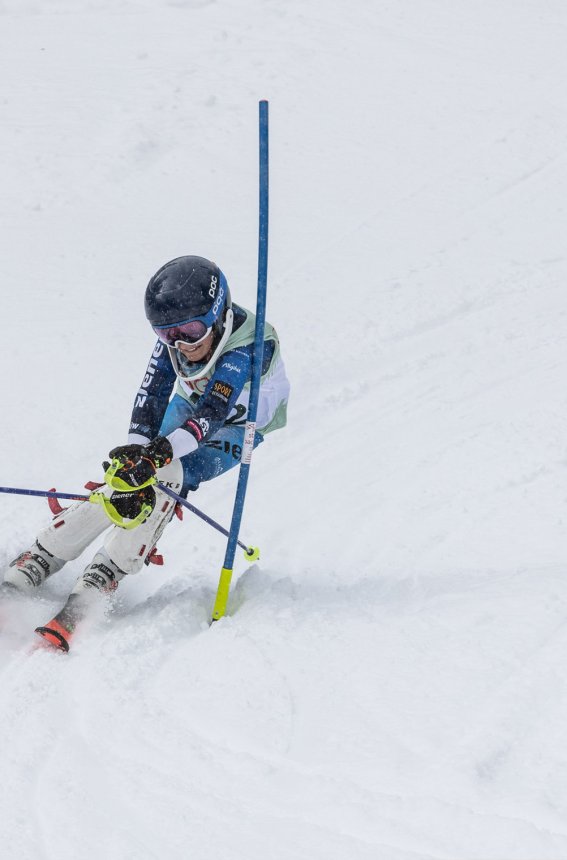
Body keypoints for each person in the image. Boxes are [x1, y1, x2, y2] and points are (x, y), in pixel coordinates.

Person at [0, 255, 289, 650]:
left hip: (238, 428)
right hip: (191, 406)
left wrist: (155, 457)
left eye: (191, 331)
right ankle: (43, 553)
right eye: (167, 334)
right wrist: (137, 454)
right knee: (129, 472)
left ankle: (108, 569)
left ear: (218, 315)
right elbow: (151, 396)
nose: (181, 344)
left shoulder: (248, 349)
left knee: (169, 475)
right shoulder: (176, 340)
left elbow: (211, 414)